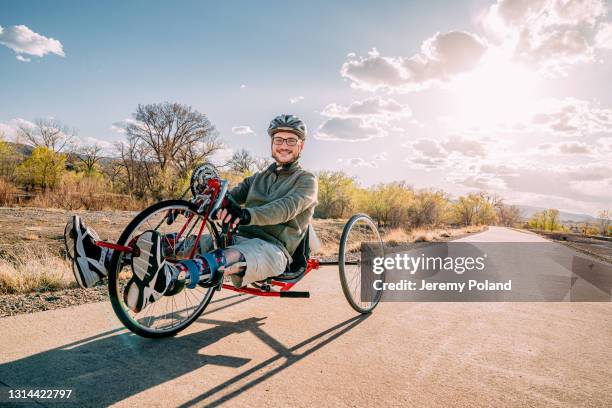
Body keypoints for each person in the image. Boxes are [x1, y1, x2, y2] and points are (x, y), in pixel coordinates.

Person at [65, 114, 318, 313]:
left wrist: (245, 215)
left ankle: (170, 277)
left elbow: (286, 209)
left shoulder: (306, 180)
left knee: (229, 255)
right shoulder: (258, 178)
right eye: (279, 140)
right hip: (237, 237)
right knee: (174, 244)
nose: (284, 146)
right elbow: (231, 198)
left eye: (290, 141)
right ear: (272, 144)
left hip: (273, 249)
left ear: (301, 146)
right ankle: (101, 259)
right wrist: (204, 201)